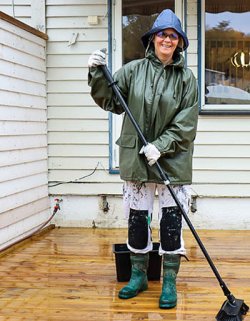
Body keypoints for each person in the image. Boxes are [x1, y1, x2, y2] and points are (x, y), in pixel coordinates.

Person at [88, 9, 199, 309]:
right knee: (138, 220)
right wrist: (97, 73)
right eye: (162, 34)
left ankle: (170, 283)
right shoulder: (133, 70)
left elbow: (187, 123)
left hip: (172, 161)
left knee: (172, 223)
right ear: (152, 39)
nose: (167, 39)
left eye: (172, 36)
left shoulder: (187, 80)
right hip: (138, 160)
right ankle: (138, 277)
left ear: (179, 43)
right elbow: (110, 99)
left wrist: (161, 146)